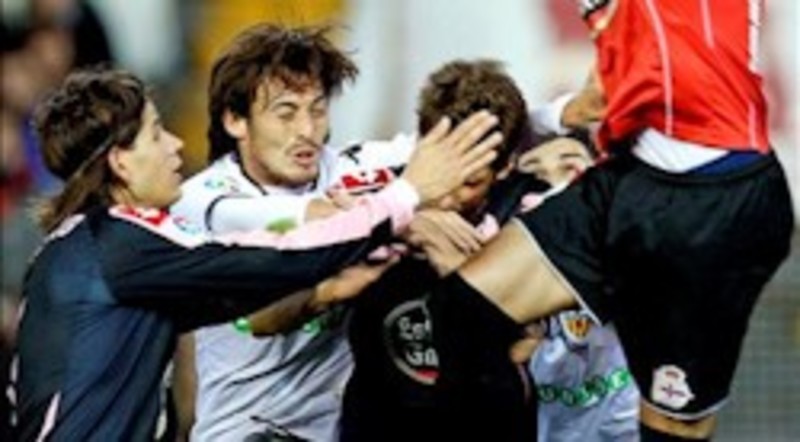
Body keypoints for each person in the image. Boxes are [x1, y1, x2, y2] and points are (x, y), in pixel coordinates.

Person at [10, 66, 501, 441]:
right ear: (120, 161)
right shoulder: (120, 245)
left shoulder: (86, 247)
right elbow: (278, 257)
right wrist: (404, 196)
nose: (175, 145)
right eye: (156, 133)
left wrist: (328, 289)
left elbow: (238, 298)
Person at [427, 1, 795, 441]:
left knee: (672, 419)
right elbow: (601, 92)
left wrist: (528, 125)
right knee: (465, 311)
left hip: (712, 202)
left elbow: (607, 94)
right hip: (635, 173)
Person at [168, 23, 502, 441]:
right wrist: (408, 211)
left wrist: (557, 116)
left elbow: (463, 143)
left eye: (318, 109)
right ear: (236, 120)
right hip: (246, 428)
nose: (306, 130)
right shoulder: (202, 200)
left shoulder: (350, 167)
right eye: (286, 113)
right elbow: (312, 221)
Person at [340, 59, 542, 442]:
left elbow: (529, 345)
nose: (447, 197)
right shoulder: (371, 194)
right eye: (442, 172)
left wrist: (462, 272)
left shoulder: (532, 217)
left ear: (506, 167)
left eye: (469, 183)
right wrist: (403, 220)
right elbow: (305, 217)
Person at [516, 130, 640, 442]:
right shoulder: (503, 266)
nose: (554, 183)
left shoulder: (629, 241)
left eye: (570, 166)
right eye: (535, 173)